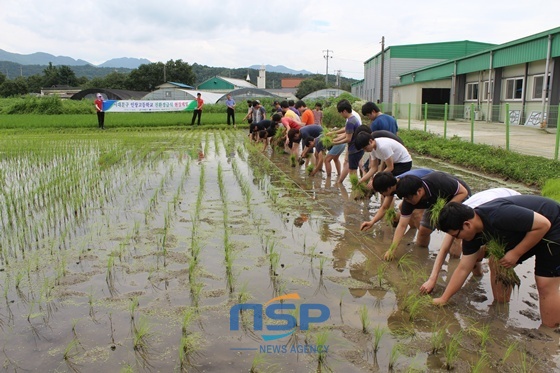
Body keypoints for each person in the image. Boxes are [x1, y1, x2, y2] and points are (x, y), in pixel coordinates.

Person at [434, 195, 560, 328]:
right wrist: (444, 299)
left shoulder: (498, 215)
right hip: (529, 231)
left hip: (554, 226)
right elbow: (463, 268)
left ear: (467, 224)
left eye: (456, 235)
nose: (457, 239)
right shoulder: (472, 235)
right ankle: (501, 305)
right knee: (497, 262)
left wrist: (516, 253)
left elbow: (543, 224)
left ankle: (551, 330)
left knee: (545, 283)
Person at [420, 188, 521, 296]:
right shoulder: (456, 218)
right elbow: (444, 249)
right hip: (489, 208)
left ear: (466, 224)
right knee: (469, 249)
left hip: (512, 209)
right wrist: (432, 279)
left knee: (497, 262)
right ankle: (478, 275)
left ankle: (501, 304)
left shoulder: (491, 215)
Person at [383, 171, 471, 260]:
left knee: (455, 235)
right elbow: (402, 225)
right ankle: (422, 259)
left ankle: (454, 263)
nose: (407, 201)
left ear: (419, 191)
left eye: (409, 198)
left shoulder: (439, 180)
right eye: (405, 199)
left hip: (459, 197)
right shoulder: (408, 200)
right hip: (435, 203)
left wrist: (444, 210)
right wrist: (392, 249)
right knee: (423, 232)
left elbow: (463, 192)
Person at [359, 169, 433, 232]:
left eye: (381, 192)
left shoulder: (404, 185)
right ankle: (412, 229)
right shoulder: (392, 184)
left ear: (388, 189)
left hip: (430, 182)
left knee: (416, 213)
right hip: (422, 179)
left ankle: (421, 235)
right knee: (402, 207)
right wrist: (372, 222)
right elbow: (384, 207)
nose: (382, 194)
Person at [328, 100, 362, 184]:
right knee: (352, 168)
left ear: (345, 111)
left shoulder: (350, 121)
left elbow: (348, 139)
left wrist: (335, 143)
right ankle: (343, 184)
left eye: (341, 112)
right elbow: (346, 134)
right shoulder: (353, 118)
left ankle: (356, 190)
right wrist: (335, 139)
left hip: (354, 148)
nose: (341, 115)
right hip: (357, 147)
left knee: (353, 171)